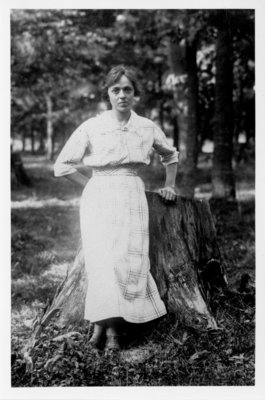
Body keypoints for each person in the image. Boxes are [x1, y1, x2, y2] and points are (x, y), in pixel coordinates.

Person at [54, 65, 179, 351]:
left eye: (128, 90)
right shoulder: (92, 126)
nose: (122, 95)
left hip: (131, 195)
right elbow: (62, 166)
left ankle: (104, 327)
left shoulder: (147, 127)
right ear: (108, 94)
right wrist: (90, 185)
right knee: (103, 262)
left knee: (125, 262)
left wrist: (170, 184)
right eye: (116, 90)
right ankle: (109, 331)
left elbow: (170, 155)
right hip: (98, 195)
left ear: (135, 95)